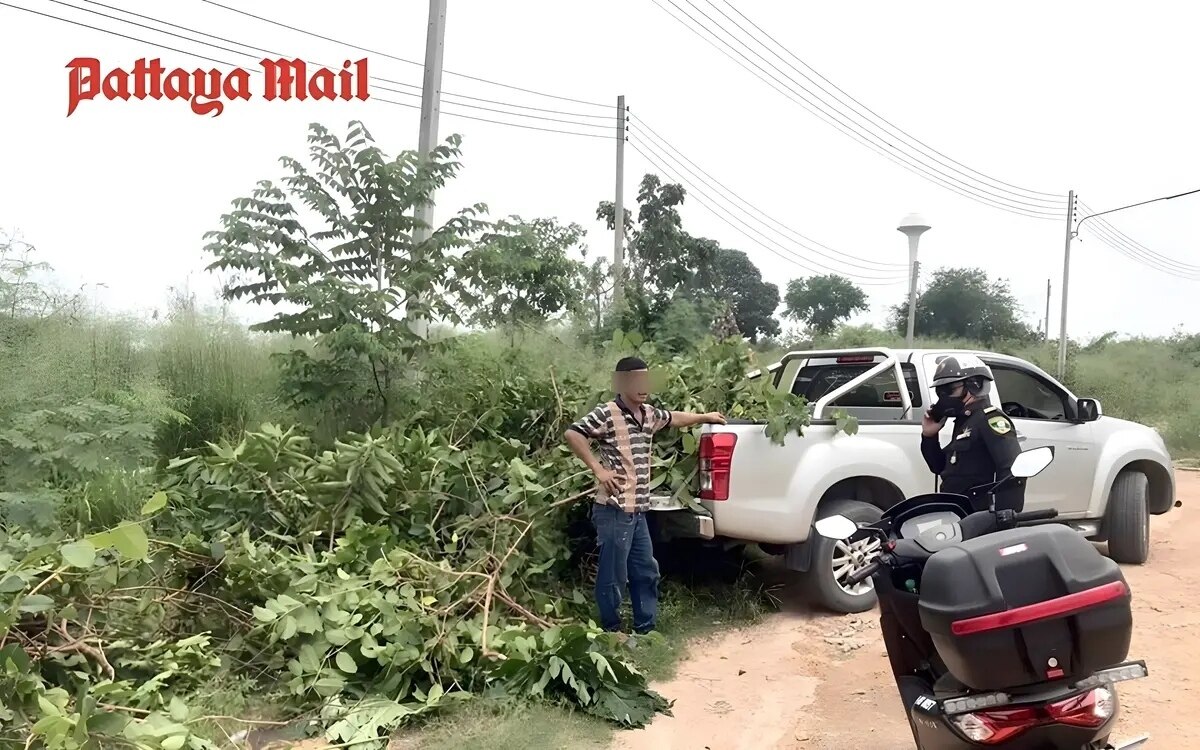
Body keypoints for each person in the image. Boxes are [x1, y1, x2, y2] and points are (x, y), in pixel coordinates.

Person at [564, 356, 726, 636]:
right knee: (613, 575)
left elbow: (673, 418)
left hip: (638, 510)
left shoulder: (648, 414)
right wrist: (598, 469)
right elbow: (573, 433)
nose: (644, 387)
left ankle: (645, 631)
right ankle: (611, 631)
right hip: (614, 509)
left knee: (646, 571)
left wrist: (705, 417)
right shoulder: (608, 413)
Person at [920, 354, 1025, 513]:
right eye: (940, 392)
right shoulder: (964, 422)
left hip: (978, 516)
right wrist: (929, 436)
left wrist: (1004, 516)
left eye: (949, 390)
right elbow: (939, 467)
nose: (944, 397)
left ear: (974, 386)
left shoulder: (990, 419)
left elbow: (1012, 469)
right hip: (955, 512)